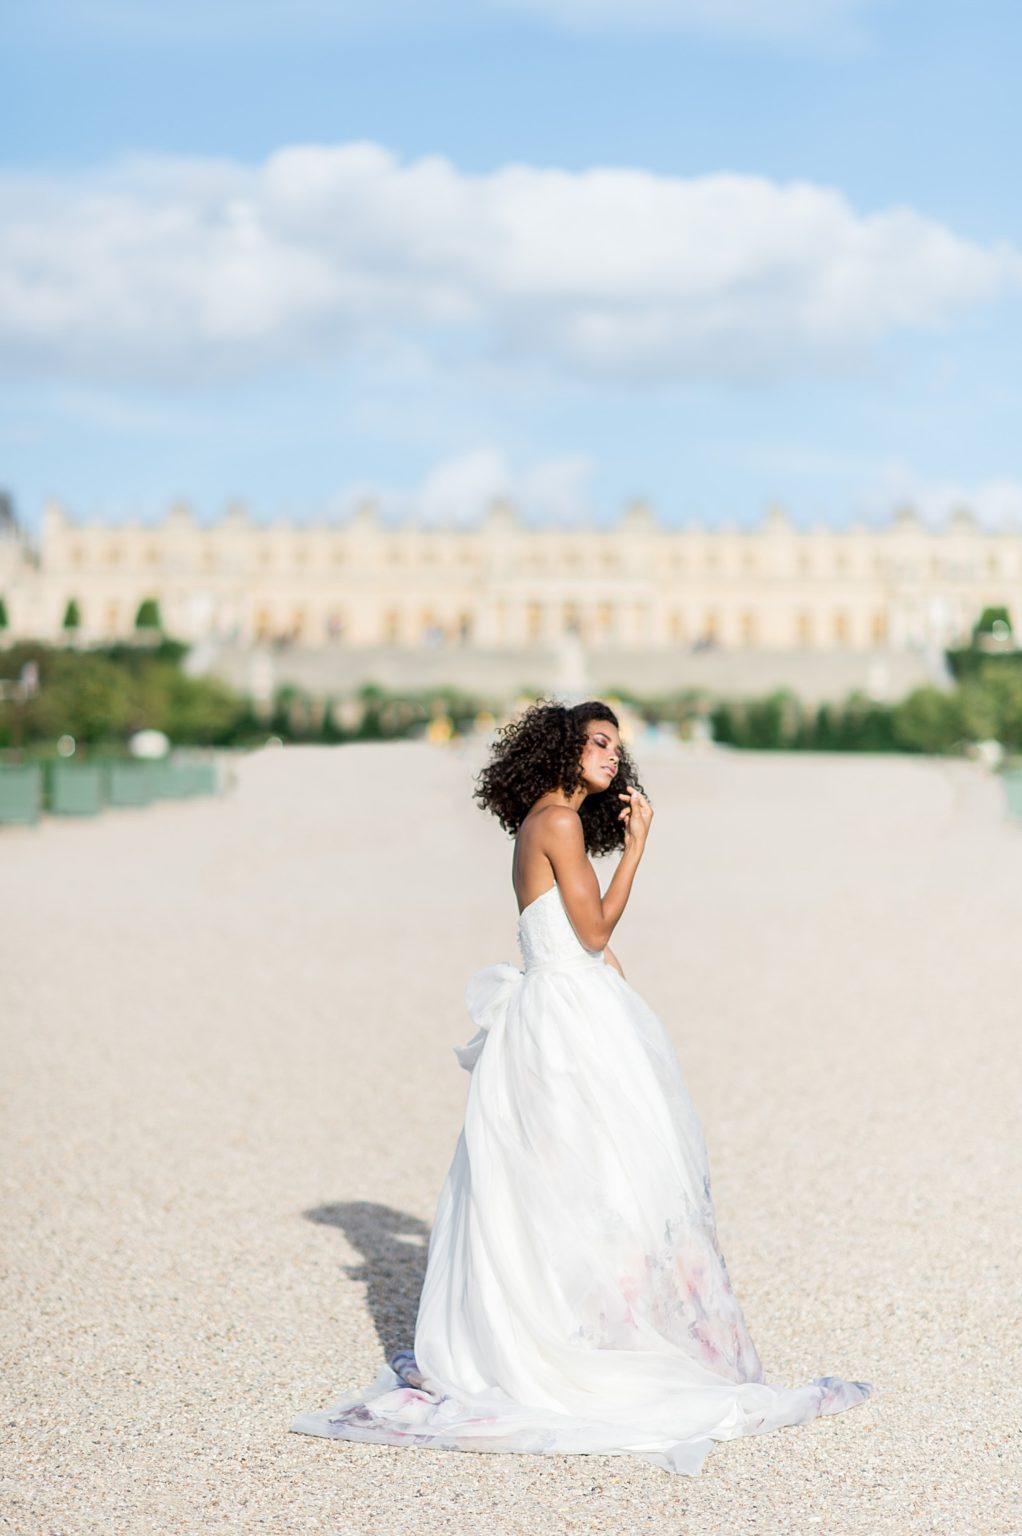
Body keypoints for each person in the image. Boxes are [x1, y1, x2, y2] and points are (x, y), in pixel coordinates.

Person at [290, 699, 871, 1476]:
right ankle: (591, 1342)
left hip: (561, 1006)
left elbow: (567, 937)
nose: (610, 756)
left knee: (566, 1187)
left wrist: (605, 971)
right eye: (597, 742)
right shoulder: (558, 821)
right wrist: (637, 847)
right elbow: (594, 932)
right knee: (608, 1183)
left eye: (615, 746)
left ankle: (577, 1328)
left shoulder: (546, 818)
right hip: (565, 1020)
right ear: (563, 749)